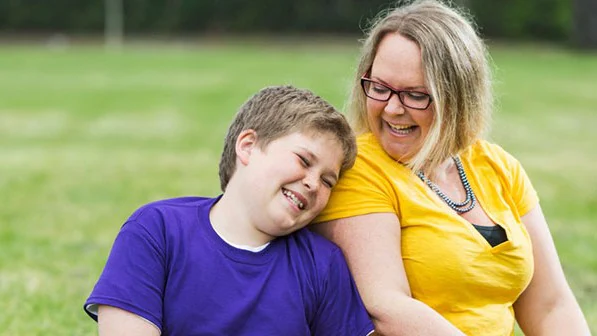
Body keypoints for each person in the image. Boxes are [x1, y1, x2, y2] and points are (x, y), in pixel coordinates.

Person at [311, 1, 591, 335]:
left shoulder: (496, 166)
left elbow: (550, 305)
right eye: (380, 88)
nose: (392, 109)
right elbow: (387, 308)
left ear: (457, 96)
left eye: (415, 95)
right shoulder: (360, 168)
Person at [83, 85, 375, 336]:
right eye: (303, 160)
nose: (313, 183)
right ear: (248, 146)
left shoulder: (322, 264)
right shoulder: (157, 231)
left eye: (327, 181)